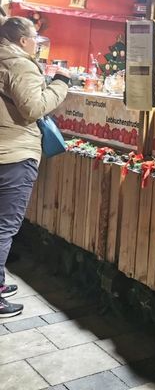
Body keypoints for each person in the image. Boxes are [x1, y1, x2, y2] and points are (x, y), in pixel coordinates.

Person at [0, 16, 69, 318]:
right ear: (24, 40)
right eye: (35, 38)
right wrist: (61, 83)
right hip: (13, 155)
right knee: (4, 228)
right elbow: (32, 108)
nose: (36, 43)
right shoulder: (20, 63)